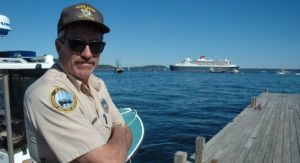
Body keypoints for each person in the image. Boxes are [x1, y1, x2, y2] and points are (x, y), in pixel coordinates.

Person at [24, 3, 132, 163]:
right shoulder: (47, 94)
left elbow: (127, 133)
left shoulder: (98, 84)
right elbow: (114, 156)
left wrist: (119, 136)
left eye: (96, 46)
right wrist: (120, 133)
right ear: (59, 47)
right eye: (77, 44)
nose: (88, 54)